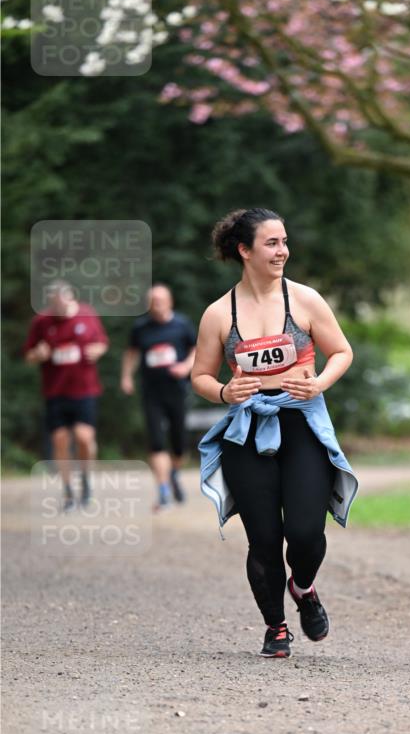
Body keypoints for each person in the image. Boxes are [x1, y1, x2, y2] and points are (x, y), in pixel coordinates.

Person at [194, 207, 358, 659]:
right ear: (244, 250)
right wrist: (226, 392)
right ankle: (276, 627)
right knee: (264, 538)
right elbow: (200, 377)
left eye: (284, 241)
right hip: (247, 430)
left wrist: (318, 383)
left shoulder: (304, 300)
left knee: (305, 533)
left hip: (301, 422)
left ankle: (303, 587)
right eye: (271, 243)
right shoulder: (217, 314)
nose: (282, 251)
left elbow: (342, 351)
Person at [23, 280, 109, 510]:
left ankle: (86, 481)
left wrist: (97, 351)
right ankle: (69, 491)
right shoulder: (41, 322)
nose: (58, 310)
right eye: (54, 305)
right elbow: (28, 355)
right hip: (55, 392)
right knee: (59, 441)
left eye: (61, 304)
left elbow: (102, 342)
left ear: (70, 298)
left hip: (84, 389)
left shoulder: (86, 315)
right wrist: (38, 354)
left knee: (84, 438)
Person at [121, 284, 197, 510]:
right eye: (153, 301)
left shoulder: (182, 324)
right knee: (155, 441)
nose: (157, 305)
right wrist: (126, 376)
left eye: (161, 300)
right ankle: (163, 490)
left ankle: (173, 473)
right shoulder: (141, 328)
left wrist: (185, 366)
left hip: (177, 391)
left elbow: (196, 349)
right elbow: (131, 353)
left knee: (179, 445)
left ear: (170, 302)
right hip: (151, 392)